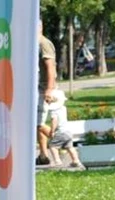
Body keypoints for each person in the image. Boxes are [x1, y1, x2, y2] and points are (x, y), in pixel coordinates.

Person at [39, 90, 85, 169]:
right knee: (70, 147)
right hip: (68, 132)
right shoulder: (63, 108)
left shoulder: (54, 111)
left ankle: (57, 161)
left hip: (60, 132)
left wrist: (52, 131)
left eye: (48, 100)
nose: (47, 101)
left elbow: (54, 121)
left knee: (52, 146)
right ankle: (76, 161)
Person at [36, 20, 57, 166]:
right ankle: (43, 155)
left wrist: (49, 89)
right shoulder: (31, 43)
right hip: (35, 89)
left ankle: (64, 140)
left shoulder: (43, 43)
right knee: (39, 122)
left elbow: (50, 68)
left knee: (36, 124)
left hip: (43, 89)